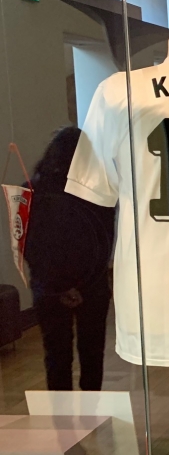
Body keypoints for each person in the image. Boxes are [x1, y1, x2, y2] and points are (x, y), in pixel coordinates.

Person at [23, 126, 115, 391]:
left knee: (56, 356)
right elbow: (103, 242)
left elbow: (30, 246)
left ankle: (61, 414)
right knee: (92, 353)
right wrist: (80, 285)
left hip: (48, 287)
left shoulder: (30, 190)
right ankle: (91, 408)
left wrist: (60, 286)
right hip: (92, 285)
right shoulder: (99, 192)